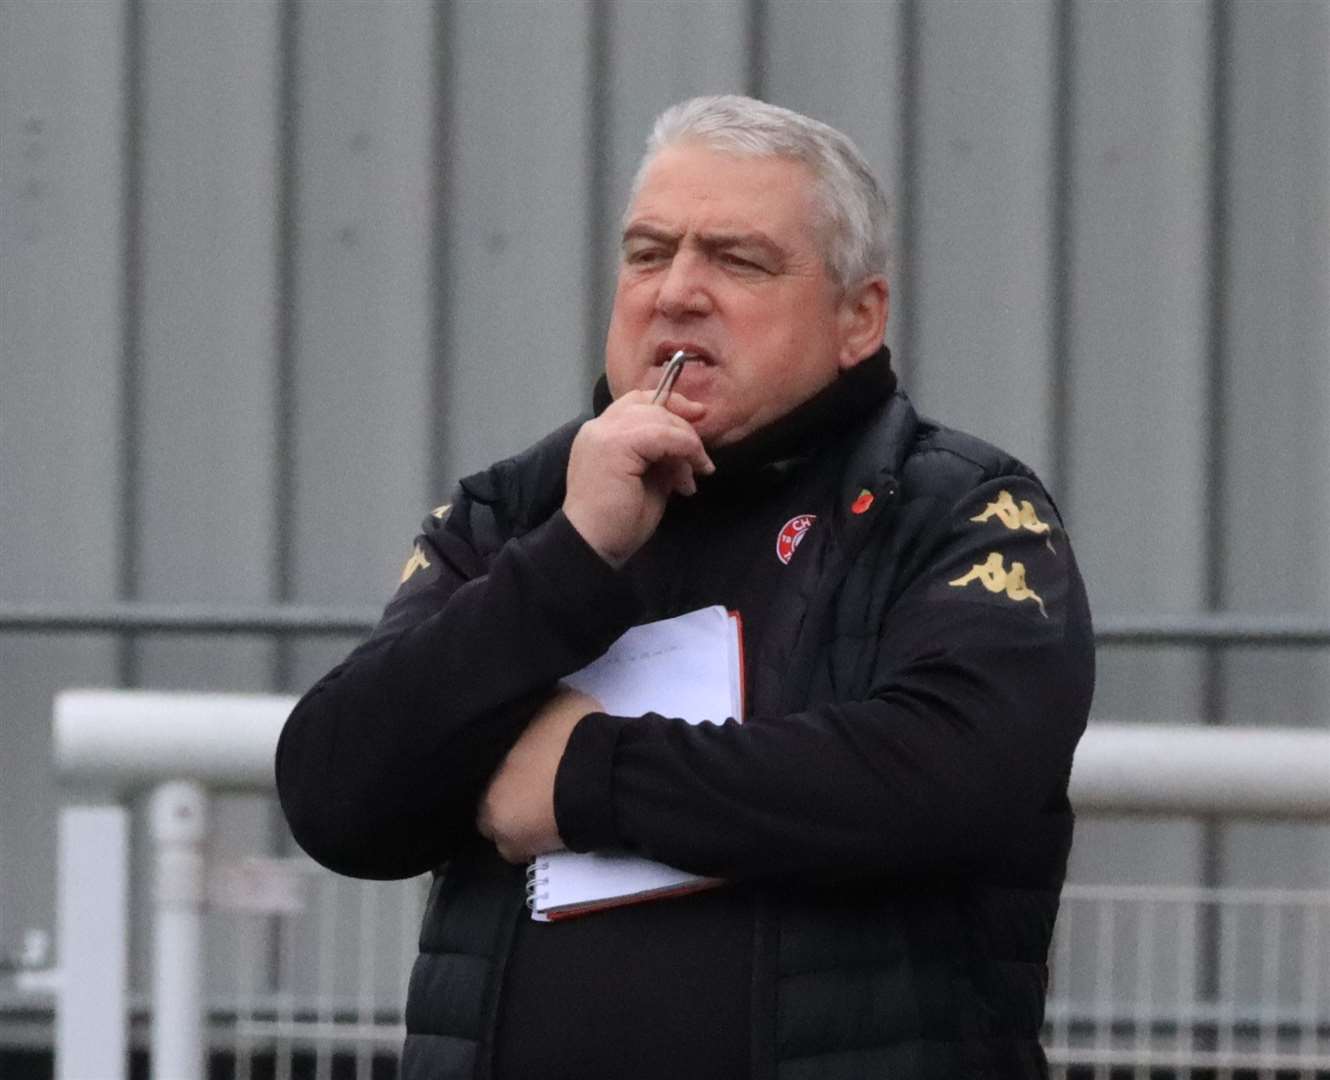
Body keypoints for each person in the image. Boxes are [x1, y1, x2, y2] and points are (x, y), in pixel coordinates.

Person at [276, 95, 1094, 1080]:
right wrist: (572, 557)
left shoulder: (955, 507)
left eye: (737, 260)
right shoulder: (512, 515)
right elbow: (336, 795)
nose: (676, 293)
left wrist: (588, 780)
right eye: (648, 253)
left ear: (857, 318)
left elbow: (950, 775)